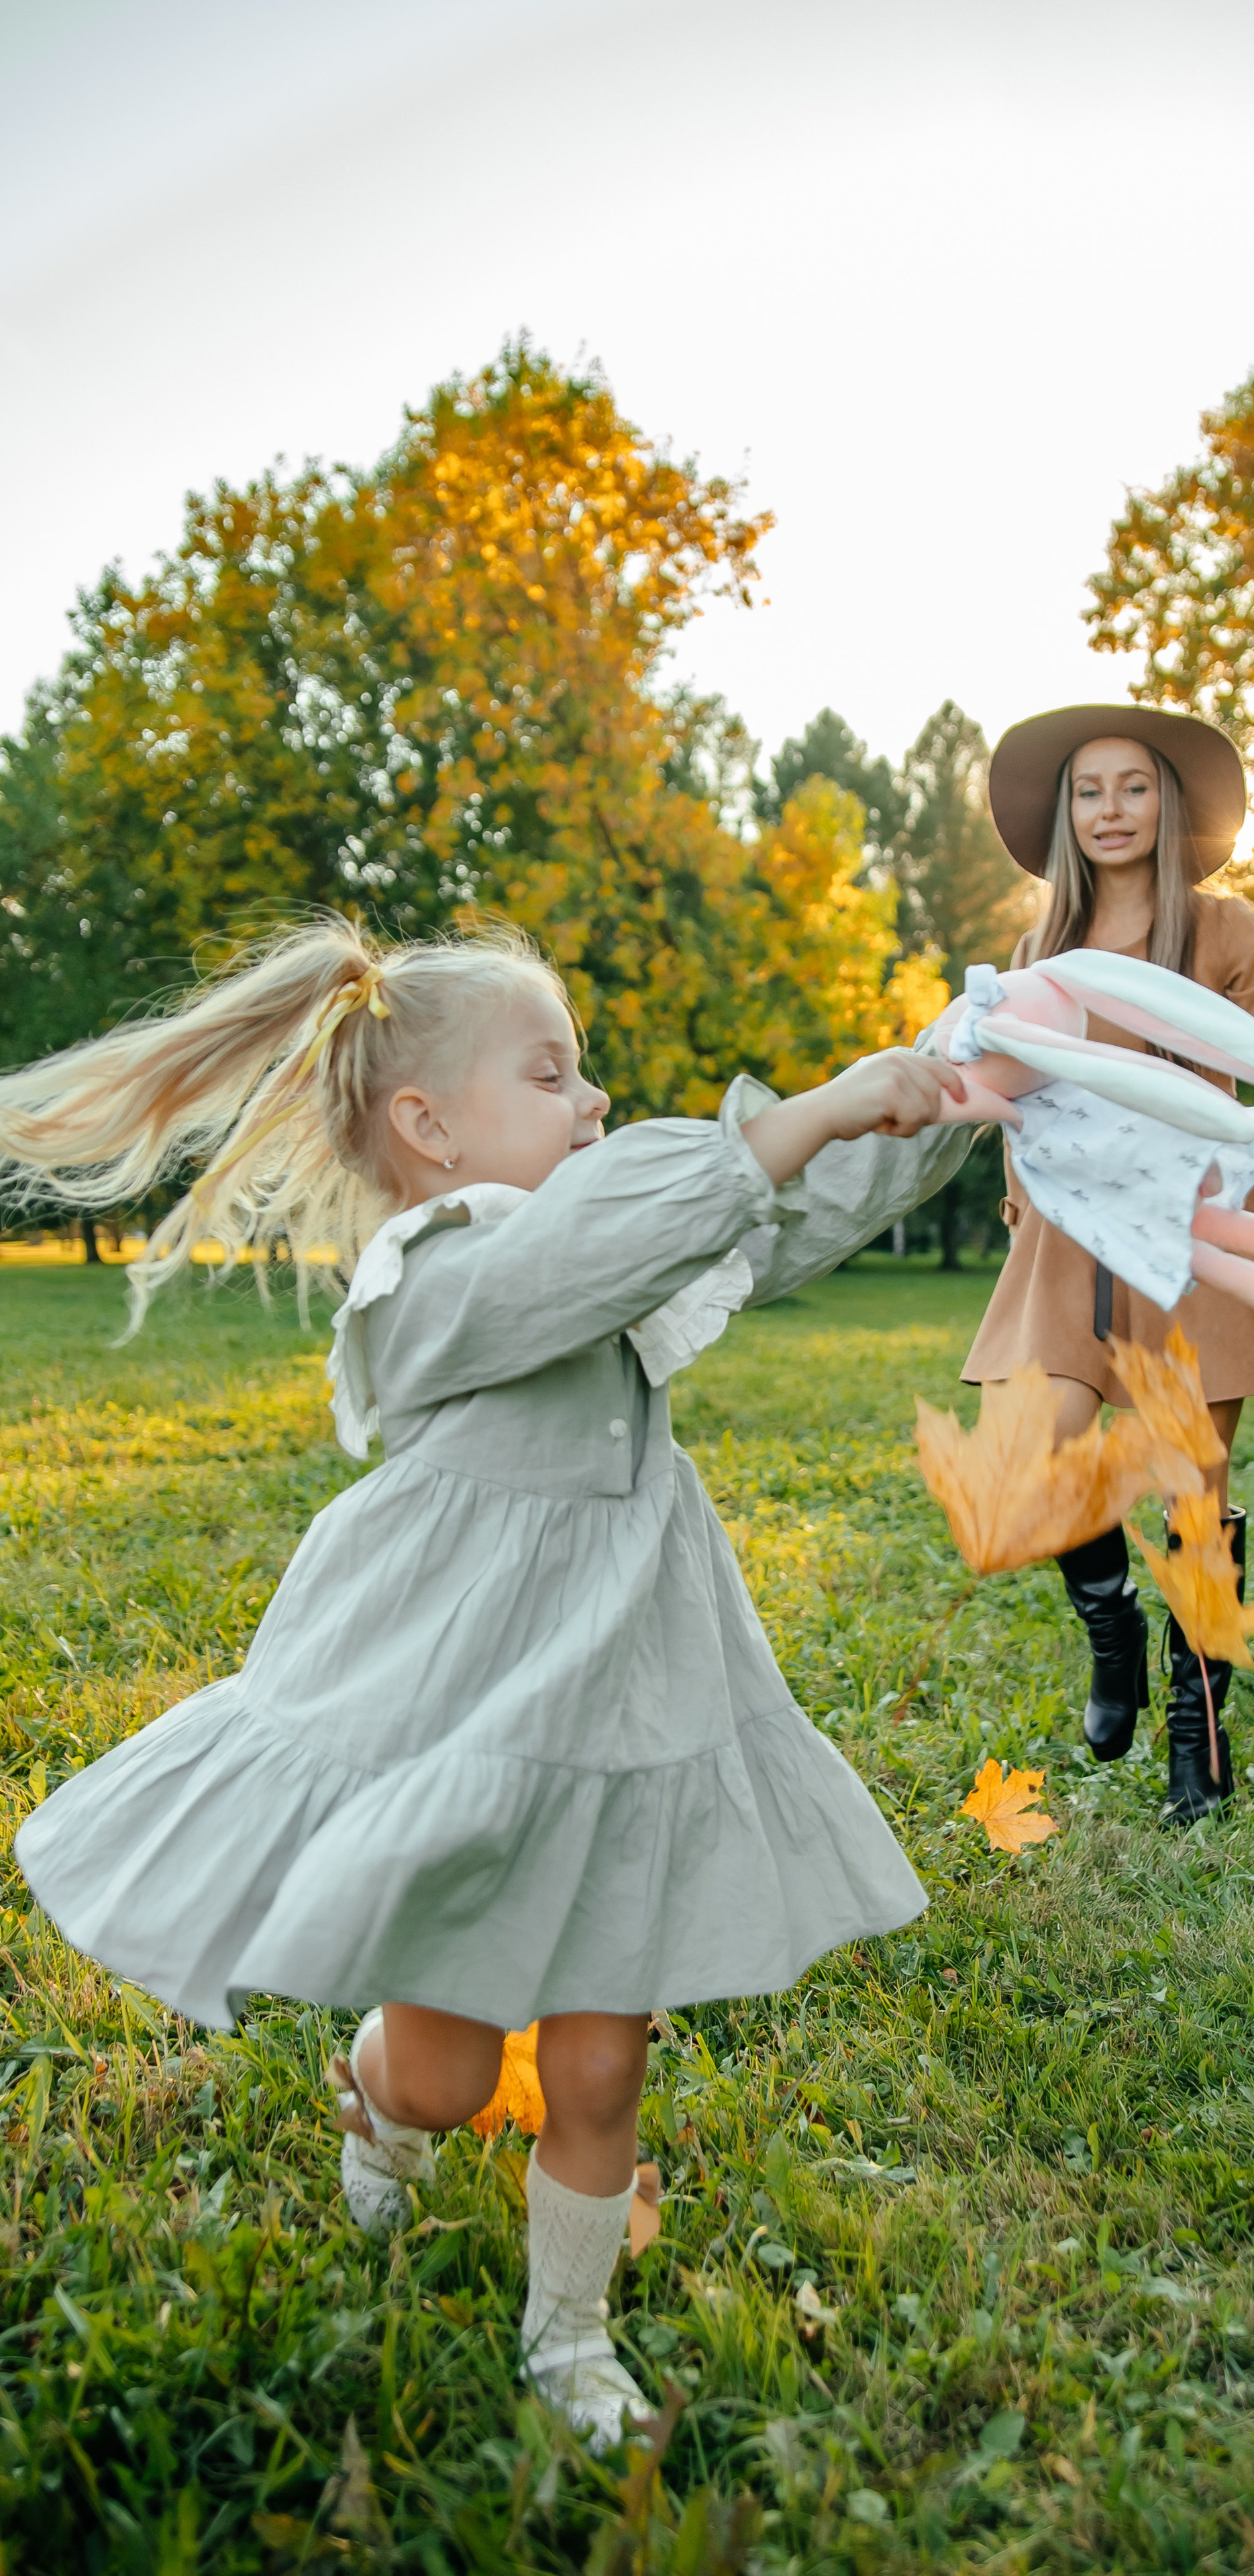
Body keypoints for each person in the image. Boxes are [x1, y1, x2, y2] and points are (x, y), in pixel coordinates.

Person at [4, 920, 974, 2447]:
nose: (589, 1102)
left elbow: (761, 1220)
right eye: (552, 1072)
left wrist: (932, 1100)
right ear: (429, 1129)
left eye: (587, 1074)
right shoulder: (438, 1280)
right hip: (466, 1715)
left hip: (623, 1708)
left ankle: (567, 2334)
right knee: (449, 2076)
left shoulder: (603, 1253)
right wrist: (807, 1108)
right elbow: (596, 1243)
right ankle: (380, 2118)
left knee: (603, 2055)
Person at [963, 707, 1254, 1821]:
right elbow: (1023, 1090)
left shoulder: (1225, 931)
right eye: (1088, 793)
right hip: (1072, 1240)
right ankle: (1111, 1626)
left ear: (1169, 804)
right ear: (1067, 817)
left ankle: (1196, 1744)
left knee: (1191, 1489)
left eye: (1132, 789)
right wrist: (1016, 1197)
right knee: (1042, 1450)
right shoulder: (1038, 951)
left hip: (1198, 1229)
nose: (1110, 812)